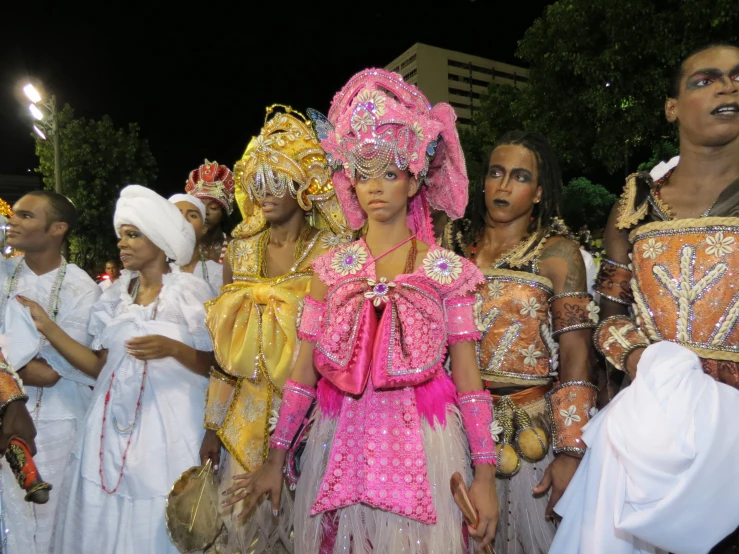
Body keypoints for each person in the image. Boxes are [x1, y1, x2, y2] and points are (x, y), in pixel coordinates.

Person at [223, 69, 499, 553]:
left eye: (390, 174)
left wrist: (485, 474)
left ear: (414, 183)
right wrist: (276, 456)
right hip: (341, 446)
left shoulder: (446, 272)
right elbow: (302, 372)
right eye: (364, 174)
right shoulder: (329, 271)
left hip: (427, 449)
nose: (375, 188)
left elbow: (470, 382)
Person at [552, 43, 739, 553]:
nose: (728, 86)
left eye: (737, 76)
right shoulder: (634, 205)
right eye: (706, 79)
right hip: (649, 428)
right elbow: (608, 318)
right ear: (672, 107)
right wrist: (651, 364)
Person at [21, 185, 216, 554]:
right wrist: (48, 326)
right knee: (101, 510)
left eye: (132, 235)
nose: (122, 244)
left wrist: (171, 348)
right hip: (109, 427)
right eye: (120, 236)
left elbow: (215, 366)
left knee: (159, 508)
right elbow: (98, 366)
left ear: (159, 242)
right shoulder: (114, 297)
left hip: (171, 428)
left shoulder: (190, 292)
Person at [200, 105, 347, 554]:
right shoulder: (241, 251)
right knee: (245, 532)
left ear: (303, 186)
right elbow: (224, 351)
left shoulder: (333, 251)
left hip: (312, 416)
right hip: (244, 414)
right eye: (258, 182)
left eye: (276, 182)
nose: (264, 193)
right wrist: (211, 426)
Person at [449, 131, 597, 554]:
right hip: (456, 426)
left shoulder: (559, 254)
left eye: (520, 176)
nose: (504, 184)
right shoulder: (451, 248)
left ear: (538, 193)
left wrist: (570, 451)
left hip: (532, 430)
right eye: (496, 173)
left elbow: (576, 353)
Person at [0, 190, 100, 554]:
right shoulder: (3, 272)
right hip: (4, 414)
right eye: (15, 213)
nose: (13, 220)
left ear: (57, 228)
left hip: (55, 424)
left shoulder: (81, 289)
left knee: (46, 528)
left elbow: (50, 374)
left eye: (26, 216)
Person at [169, 193, 224, 295]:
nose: (184, 220)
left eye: (192, 215)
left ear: (204, 228)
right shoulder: (146, 268)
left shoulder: (218, 274)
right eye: (177, 213)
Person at [186, 160, 235, 264]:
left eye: (213, 208)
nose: (206, 212)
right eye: (201, 206)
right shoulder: (184, 246)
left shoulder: (235, 247)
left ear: (223, 213)